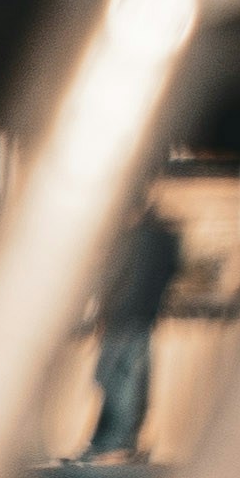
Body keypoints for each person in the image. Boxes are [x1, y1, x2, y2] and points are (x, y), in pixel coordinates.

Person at [87, 187, 181, 463]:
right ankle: (119, 439)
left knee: (117, 378)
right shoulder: (159, 238)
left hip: (126, 315)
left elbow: (115, 280)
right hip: (138, 315)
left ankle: (117, 440)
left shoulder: (135, 239)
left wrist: (103, 310)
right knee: (124, 378)